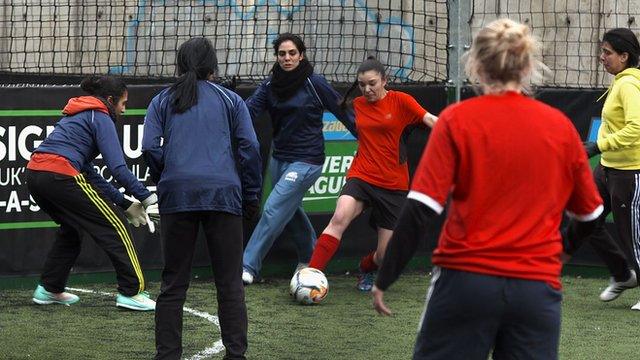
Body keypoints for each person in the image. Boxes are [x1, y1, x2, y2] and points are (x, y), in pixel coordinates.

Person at [371, 19, 603, 359]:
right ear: (527, 67)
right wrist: (564, 250)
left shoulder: (457, 120)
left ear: (476, 66)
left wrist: (384, 278)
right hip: (535, 289)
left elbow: (420, 209)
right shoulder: (560, 128)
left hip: (465, 282)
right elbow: (591, 214)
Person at [143, 37, 261, 360]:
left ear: (180, 64)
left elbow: (151, 147)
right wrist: (251, 195)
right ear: (213, 66)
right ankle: (236, 355)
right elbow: (250, 149)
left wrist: (167, 177)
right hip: (223, 195)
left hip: (177, 196)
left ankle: (167, 355)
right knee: (229, 284)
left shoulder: (161, 100)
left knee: (173, 284)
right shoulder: (231, 100)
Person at [26, 75, 158, 311]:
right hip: (60, 175)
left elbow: (90, 173)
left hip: (36, 175)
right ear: (110, 100)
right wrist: (148, 198)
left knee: (72, 229)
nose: (124, 110)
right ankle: (131, 292)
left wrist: (125, 203)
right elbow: (118, 168)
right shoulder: (101, 116)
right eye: (123, 104)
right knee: (115, 227)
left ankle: (49, 288)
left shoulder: (77, 115)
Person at [306, 56, 438, 291]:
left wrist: (461, 129)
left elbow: (429, 119)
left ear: (385, 81)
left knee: (385, 256)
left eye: (372, 83)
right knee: (339, 218)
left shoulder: (402, 101)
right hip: (362, 176)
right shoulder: (357, 104)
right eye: (362, 84)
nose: (367, 89)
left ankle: (366, 268)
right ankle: (311, 276)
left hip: (393, 185)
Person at [241, 33, 357, 285]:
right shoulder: (271, 85)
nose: (287, 58)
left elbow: (343, 111)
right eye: (282, 54)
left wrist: (368, 139)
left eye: (292, 53)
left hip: (307, 160)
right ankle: (310, 257)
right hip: (279, 159)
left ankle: (247, 266)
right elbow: (247, 111)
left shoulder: (314, 83)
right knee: (290, 210)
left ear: (301, 55)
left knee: (273, 208)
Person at [565, 28, 640, 308]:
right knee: (585, 218)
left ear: (624, 56)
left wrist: (598, 146)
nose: (602, 58)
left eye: (607, 53)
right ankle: (622, 274)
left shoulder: (629, 85)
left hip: (629, 171)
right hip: (607, 169)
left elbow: (636, 127)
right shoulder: (620, 82)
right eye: (602, 51)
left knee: (631, 234)